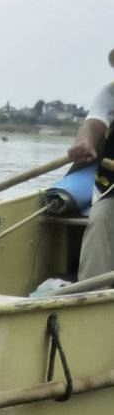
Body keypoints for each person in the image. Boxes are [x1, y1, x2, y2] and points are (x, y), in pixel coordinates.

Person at [67, 48, 114, 279]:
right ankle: (89, 300)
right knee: (99, 219)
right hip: (112, 187)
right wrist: (84, 143)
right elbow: (92, 124)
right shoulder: (110, 93)